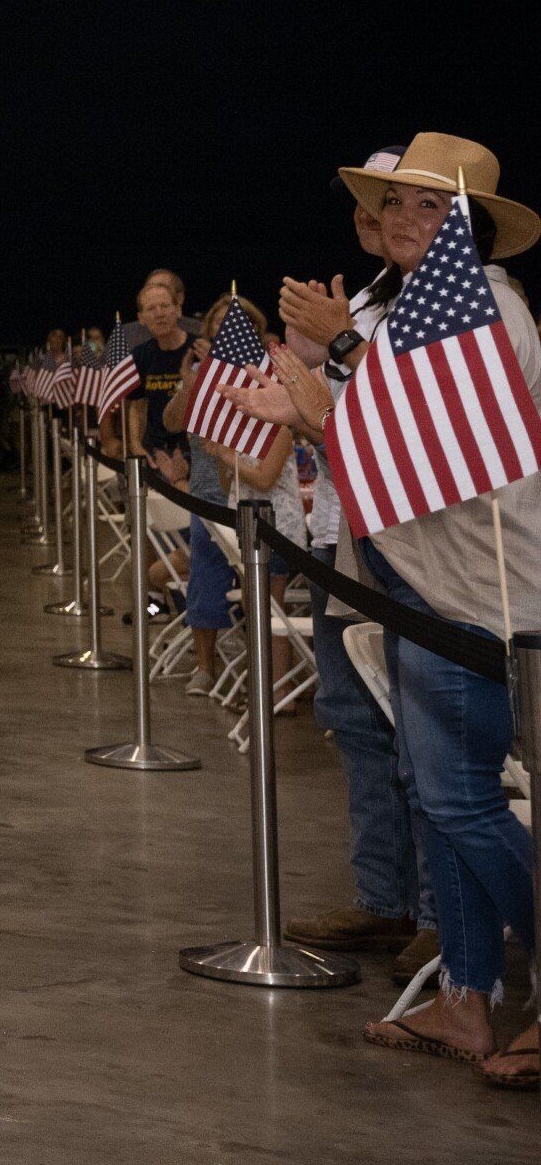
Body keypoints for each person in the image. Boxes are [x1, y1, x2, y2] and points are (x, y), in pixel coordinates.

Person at [225, 133, 538, 1087]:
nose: (401, 220)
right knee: (443, 798)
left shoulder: (488, 310)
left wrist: (332, 374)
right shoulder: (406, 310)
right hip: (409, 585)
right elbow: (370, 434)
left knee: (462, 800)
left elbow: (429, 446)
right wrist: (307, 406)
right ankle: (467, 998)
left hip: (476, 596)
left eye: (429, 208)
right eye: (393, 204)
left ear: (471, 230)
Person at [272, 145, 436, 975]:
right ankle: (384, 899)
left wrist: (335, 348)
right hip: (352, 535)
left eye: (406, 202)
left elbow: (418, 418)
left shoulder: (458, 302)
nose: (381, 215)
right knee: (354, 719)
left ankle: (445, 922)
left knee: (425, 735)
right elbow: (349, 421)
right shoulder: (372, 297)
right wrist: (294, 407)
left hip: (426, 548)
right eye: (371, 202)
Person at [162, 294, 272, 695]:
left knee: (262, 581)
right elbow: (171, 421)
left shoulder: (267, 372)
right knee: (206, 578)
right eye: (217, 325)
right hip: (209, 493)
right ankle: (205, 668)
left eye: (234, 325)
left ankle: (265, 672)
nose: (224, 331)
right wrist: (189, 386)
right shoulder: (200, 376)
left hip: (260, 492)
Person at [103, 279, 192, 456]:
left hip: (193, 450)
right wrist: (136, 445)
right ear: (141, 318)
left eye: (165, 306)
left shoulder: (198, 348)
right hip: (155, 450)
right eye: (151, 309)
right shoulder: (141, 355)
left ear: (178, 310)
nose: (159, 314)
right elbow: (136, 404)